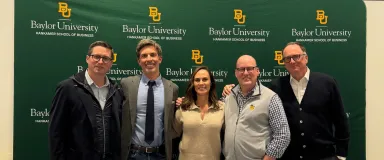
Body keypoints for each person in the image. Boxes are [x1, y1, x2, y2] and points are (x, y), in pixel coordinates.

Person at [223, 42, 350, 160]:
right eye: (288, 58)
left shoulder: (327, 83)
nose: (292, 61)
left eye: (296, 56)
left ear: (306, 58)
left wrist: (341, 155)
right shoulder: (276, 86)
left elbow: (340, 120)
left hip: (323, 155)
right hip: (289, 156)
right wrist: (229, 89)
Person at [177, 55, 290, 160]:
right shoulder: (228, 97)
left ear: (257, 71)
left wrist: (268, 158)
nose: (245, 73)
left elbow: (283, 134)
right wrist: (184, 102)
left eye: (249, 68)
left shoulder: (271, 98)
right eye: (241, 69)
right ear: (236, 73)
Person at [49, 41, 124, 160]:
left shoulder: (117, 91)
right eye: (96, 57)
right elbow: (56, 132)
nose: (100, 61)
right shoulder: (68, 88)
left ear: (111, 63)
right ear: (87, 59)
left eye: (105, 58)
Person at [120, 39, 179, 160]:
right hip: (133, 154)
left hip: (160, 154)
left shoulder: (172, 88)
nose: (149, 59)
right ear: (139, 61)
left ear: (160, 59)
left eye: (153, 55)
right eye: (144, 56)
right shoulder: (127, 84)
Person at [173, 66, 224, 160]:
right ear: (193, 83)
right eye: (197, 80)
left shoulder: (222, 108)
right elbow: (173, 133)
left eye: (205, 79)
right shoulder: (183, 107)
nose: (201, 83)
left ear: (211, 83)